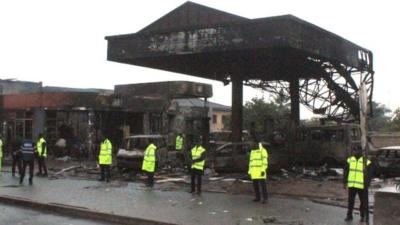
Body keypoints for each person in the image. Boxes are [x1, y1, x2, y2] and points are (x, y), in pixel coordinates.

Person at [343, 146, 372, 222]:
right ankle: (349, 216)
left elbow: (369, 173)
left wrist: (368, 183)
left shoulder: (365, 161)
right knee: (350, 201)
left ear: (360, 151)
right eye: (354, 150)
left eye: (357, 150)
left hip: (361, 185)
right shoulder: (350, 160)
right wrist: (344, 182)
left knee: (363, 202)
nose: (355, 152)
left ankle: (363, 216)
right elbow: (345, 172)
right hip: (352, 185)